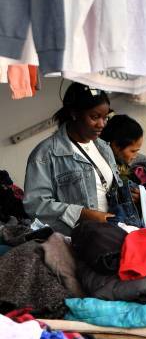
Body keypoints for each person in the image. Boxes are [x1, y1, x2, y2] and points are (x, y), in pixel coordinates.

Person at [24, 82, 122, 234]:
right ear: (74, 113)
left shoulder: (104, 147)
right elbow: (36, 205)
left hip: (111, 230)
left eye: (105, 117)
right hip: (76, 238)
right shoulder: (46, 154)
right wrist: (83, 214)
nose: (102, 124)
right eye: (95, 117)